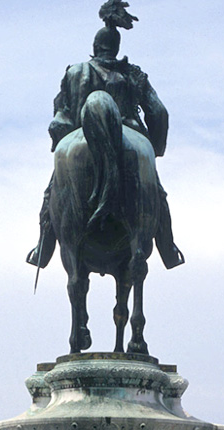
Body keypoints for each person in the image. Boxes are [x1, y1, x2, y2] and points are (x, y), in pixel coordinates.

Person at [26, 7, 184, 274]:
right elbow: (159, 112)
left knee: (52, 192)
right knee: (158, 194)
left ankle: (43, 246)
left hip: (80, 136)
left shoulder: (75, 72)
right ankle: (168, 248)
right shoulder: (134, 75)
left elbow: (61, 118)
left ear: (95, 47)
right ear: (116, 48)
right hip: (131, 136)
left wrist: (61, 139)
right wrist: (153, 149)